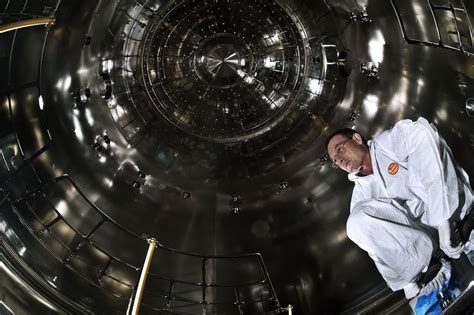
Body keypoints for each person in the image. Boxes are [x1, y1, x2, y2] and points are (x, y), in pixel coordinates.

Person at [325, 117, 473, 303]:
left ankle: (463, 230)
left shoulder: (389, 143)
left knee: (421, 149)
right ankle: (432, 270)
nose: (340, 159)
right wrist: (407, 285)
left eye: (340, 149)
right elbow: (377, 248)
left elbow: (423, 137)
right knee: (355, 223)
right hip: (427, 243)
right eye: (335, 160)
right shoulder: (360, 198)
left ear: (356, 139)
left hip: (453, 215)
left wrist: (444, 223)